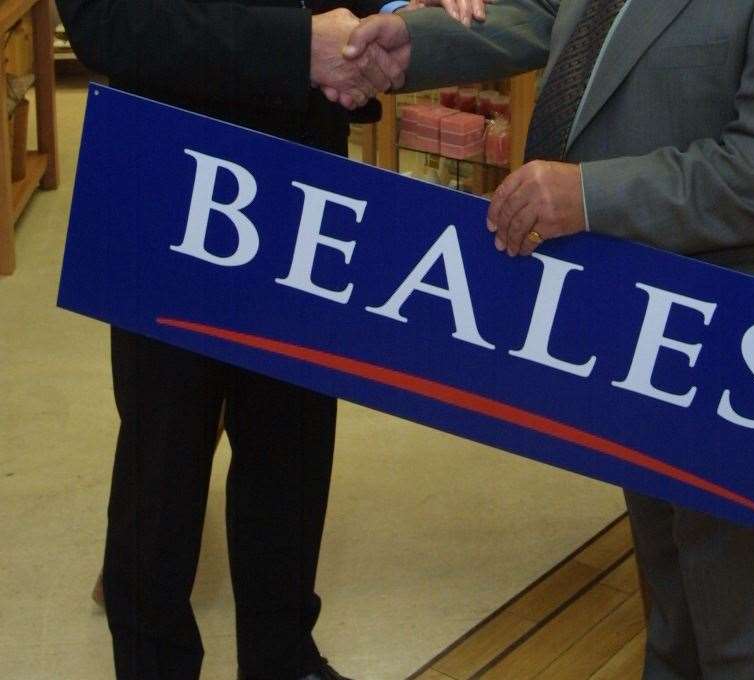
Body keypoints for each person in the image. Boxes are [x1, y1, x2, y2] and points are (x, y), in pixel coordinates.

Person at [340, 2, 754, 677]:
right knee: (673, 599)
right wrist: (416, 44)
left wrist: (592, 198)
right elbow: (563, 10)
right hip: (643, 313)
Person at [56, 1, 480, 678]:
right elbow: (107, 20)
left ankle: (284, 656)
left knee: (293, 437)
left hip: (304, 178)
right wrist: (299, 48)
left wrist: (392, 22)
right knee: (163, 449)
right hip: (169, 173)